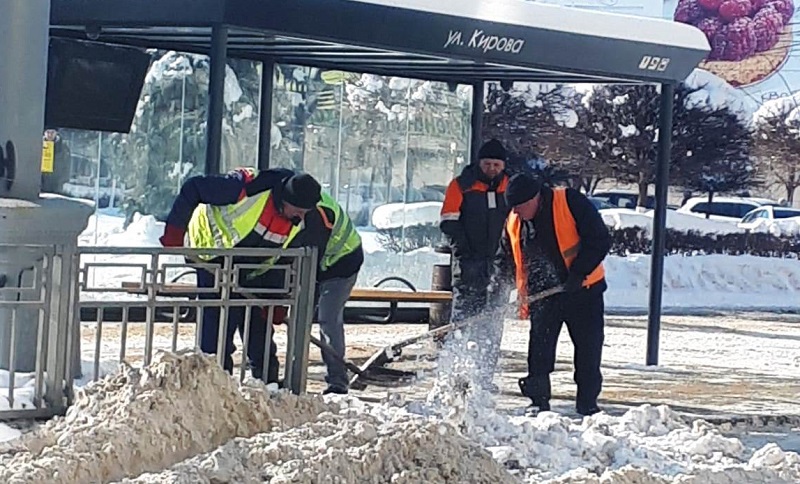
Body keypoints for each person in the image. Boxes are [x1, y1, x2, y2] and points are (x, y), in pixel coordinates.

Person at [159, 167, 321, 384]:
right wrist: (175, 231)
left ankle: (267, 384)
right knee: (217, 326)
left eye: (305, 212)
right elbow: (194, 187)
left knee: (258, 325)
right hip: (211, 258)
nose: (301, 217)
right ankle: (215, 383)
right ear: (286, 200)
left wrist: (274, 300)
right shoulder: (247, 188)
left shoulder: (297, 223)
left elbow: (281, 261)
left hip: (251, 269)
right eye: (298, 210)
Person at [489, 172, 611, 416]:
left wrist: (579, 271)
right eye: (514, 208)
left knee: (588, 349)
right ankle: (538, 401)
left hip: (583, 291)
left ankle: (587, 403)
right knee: (539, 351)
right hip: (543, 295)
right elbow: (505, 260)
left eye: (521, 207)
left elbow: (599, 239)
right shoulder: (514, 221)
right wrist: (497, 291)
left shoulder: (569, 201)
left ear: (535, 198)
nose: (517, 212)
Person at [439, 139, 510, 391]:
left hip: (499, 266)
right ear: (479, 163)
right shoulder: (461, 185)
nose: (492, 169)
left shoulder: (509, 187)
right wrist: (464, 254)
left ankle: (483, 377)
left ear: (503, 166)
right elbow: (449, 222)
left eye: (496, 165)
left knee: (493, 324)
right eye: (487, 163)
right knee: (462, 321)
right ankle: (452, 374)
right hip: (468, 265)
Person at [291, 191, 363, 395]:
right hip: (318, 263)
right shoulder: (294, 202)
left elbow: (312, 254)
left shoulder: (319, 214)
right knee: (299, 317)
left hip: (343, 263)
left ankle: (337, 381)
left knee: (328, 319)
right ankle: (293, 378)